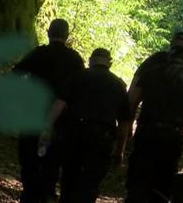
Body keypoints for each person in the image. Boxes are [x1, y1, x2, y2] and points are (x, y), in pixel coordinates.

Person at [121, 31, 183, 203]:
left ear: (170, 45)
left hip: (146, 134)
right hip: (172, 137)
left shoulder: (153, 65)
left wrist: (126, 135)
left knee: (137, 185)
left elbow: (131, 100)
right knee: (162, 190)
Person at [13, 18, 84, 203]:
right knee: (52, 162)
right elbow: (80, 90)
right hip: (62, 121)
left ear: (48, 32)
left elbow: (16, 73)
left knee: (29, 160)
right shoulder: (75, 59)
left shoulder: (38, 54)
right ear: (66, 36)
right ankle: (47, 194)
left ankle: (30, 195)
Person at [48, 48, 131, 203]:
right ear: (110, 63)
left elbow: (59, 104)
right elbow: (125, 122)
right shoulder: (118, 84)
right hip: (102, 138)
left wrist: (46, 128)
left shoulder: (78, 76)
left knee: (69, 180)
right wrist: (120, 151)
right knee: (91, 184)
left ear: (90, 60)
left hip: (74, 135)